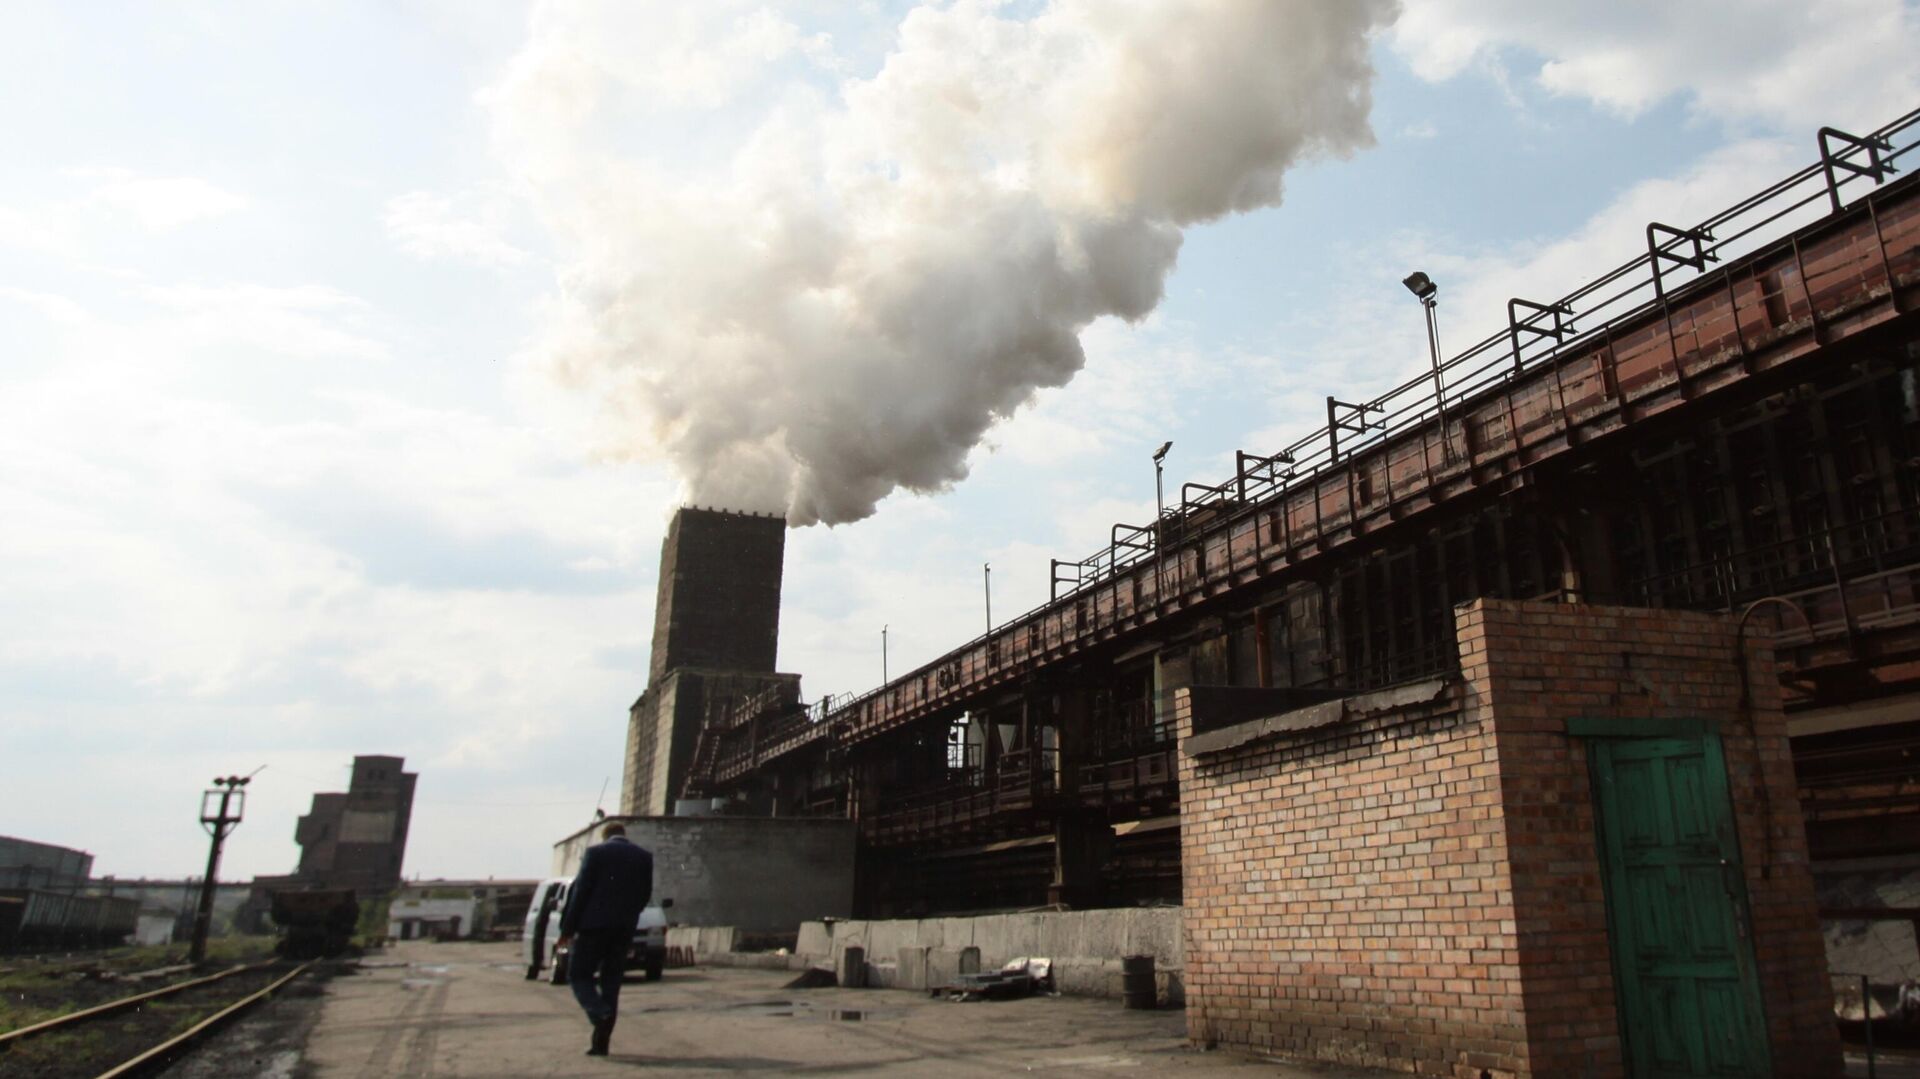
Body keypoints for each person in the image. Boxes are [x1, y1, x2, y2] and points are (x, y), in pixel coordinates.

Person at [556, 821, 653, 1056]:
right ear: (624, 835)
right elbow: (645, 894)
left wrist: (567, 929)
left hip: (592, 928)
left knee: (578, 974)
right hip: (623, 929)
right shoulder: (644, 856)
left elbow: (580, 892)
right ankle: (600, 1044)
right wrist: (629, 917)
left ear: (605, 836)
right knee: (611, 982)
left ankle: (598, 1011)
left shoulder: (595, 853)